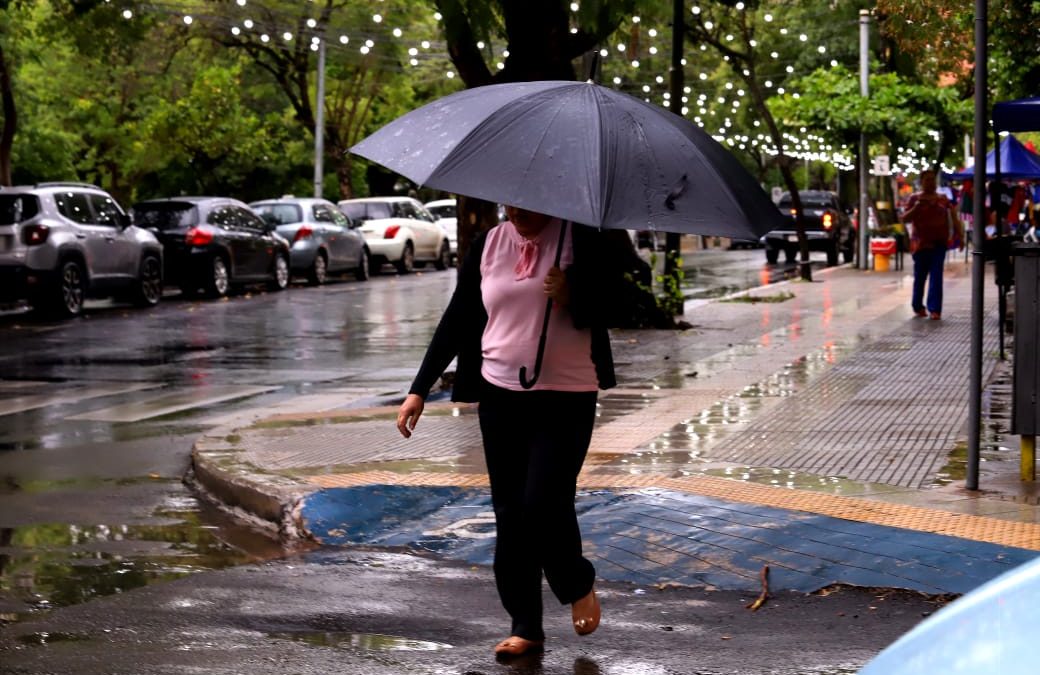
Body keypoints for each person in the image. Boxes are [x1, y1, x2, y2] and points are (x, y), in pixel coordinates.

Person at [396, 205, 621, 658]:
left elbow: (621, 302)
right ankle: (526, 626)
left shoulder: (584, 238)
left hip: (568, 394)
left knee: (543, 501)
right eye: (509, 203)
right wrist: (419, 388)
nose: (515, 211)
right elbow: (459, 316)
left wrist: (572, 293)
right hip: (500, 395)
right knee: (511, 513)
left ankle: (577, 581)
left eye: (526, 203)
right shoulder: (490, 244)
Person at [903, 169, 964, 320]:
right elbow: (904, 218)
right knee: (920, 277)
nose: (930, 183)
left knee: (936, 276)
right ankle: (917, 306)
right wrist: (916, 207)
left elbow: (954, 218)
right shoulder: (914, 199)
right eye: (927, 180)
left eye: (932, 179)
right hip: (920, 245)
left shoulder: (943, 199)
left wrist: (960, 236)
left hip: (939, 244)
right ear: (921, 182)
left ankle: (935, 309)